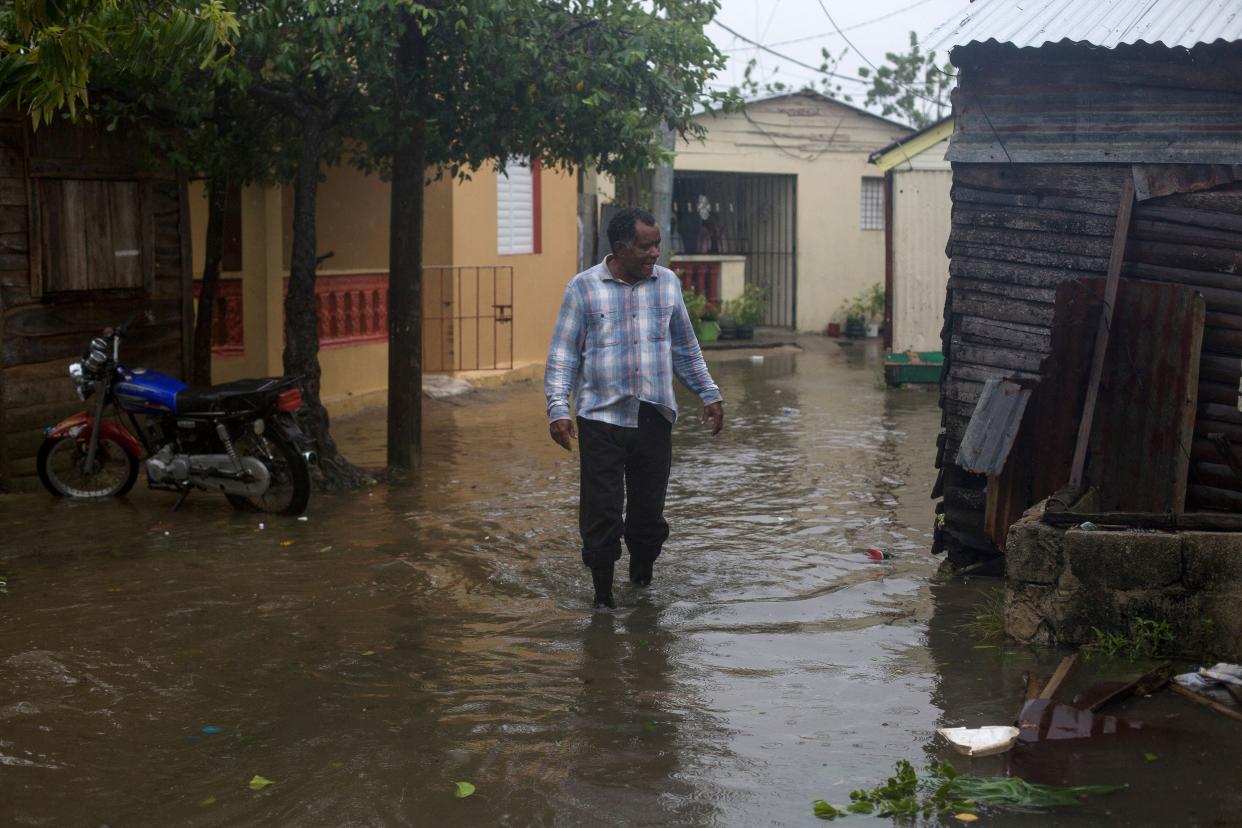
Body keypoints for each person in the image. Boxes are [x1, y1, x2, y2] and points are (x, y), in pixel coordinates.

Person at [545, 207, 724, 609]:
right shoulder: (583, 288)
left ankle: (642, 584)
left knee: (647, 519)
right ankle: (603, 600)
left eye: (658, 244)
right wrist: (558, 409)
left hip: (653, 418)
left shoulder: (667, 285)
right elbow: (563, 356)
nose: (655, 253)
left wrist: (709, 393)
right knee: (602, 514)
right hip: (600, 420)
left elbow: (685, 347)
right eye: (646, 246)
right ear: (621, 248)